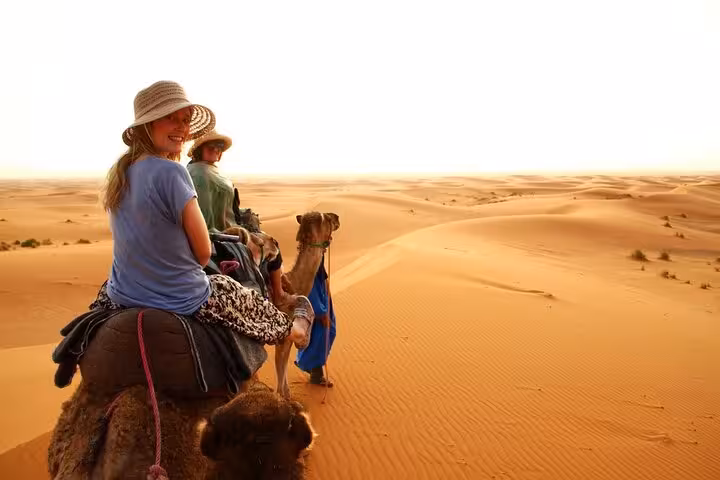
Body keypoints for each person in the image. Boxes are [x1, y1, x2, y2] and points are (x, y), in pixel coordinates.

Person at [90, 80, 312, 347]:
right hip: (179, 295)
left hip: (122, 292)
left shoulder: (119, 173)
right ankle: (294, 332)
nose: (181, 128)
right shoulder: (172, 172)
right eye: (170, 118)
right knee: (243, 298)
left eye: (184, 120)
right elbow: (204, 253)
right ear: (147, 125)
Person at [186, 131, 290, 306]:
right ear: (199, 149)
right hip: (218, 234)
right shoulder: (199, 174)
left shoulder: (206, 170)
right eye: (211, 147)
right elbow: (204, 212)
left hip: (226, 226)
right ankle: (278, 294)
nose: (216, 151)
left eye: (219, 148)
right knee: (272, 245)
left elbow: (225, 206)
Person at [295, 253, 336, 386]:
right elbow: (308, 282)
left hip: (321, 288)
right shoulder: (311, 253)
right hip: (314, 293)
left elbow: (321, 273)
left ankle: (310, 366)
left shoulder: (318, 247)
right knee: (321, 332)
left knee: (326, 331)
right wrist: (320, 311)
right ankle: (314, 372)